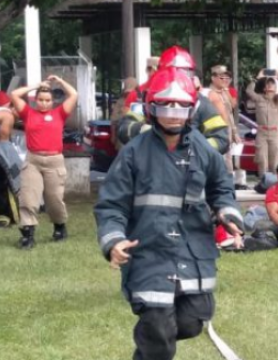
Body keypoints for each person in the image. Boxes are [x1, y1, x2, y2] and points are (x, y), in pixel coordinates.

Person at [94, 67, 244, 360]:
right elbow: (111, 204)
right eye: (166, 105)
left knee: (192, 321)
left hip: (193, 251)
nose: (174, 113)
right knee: (158, 331)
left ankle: (153, 338)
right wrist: (114, 241)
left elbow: (221, 185)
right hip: (149, 251)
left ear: (191, 110)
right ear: (152, 108)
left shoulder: (199, 149)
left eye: (181, 106)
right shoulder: (134, 153)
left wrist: (228, 213)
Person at [117, 46, 230, 156]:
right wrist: (148, 133)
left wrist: (193, 149)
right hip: (151, 162)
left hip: (188, 168)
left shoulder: (201, 103)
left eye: (183, 73)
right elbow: (124, 128)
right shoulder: (146, 99)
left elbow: (221, 139)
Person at [10, 75, 78, 249]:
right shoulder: (28, 113)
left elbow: (74, 95)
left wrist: (60, 82)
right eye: (40, 100)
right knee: (28, 197)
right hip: (33, 160)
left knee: (54, 199)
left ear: (53, 101)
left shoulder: (59, 113)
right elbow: (15, 95)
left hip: (54, 161)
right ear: (35, 100)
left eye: (47, 100)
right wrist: (36, 85)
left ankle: (59, 226)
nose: (44, 103)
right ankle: (27, 233)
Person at [246, 69, 278, 175]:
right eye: (268, 84)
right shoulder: (259, 99)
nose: (270, 86)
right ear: (264, 88)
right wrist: (257, 78)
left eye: (272, 84)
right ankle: (263, 182)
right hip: (262, 133)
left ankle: (276, 183)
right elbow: (249, 91)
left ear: (276, 88)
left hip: (274, 133)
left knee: (276, 161)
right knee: (262, 160)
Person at [207, 65, 240, 181]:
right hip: (214, 129)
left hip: (228, 128)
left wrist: (234, 131)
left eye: (227, 78)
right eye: (222, 78)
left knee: (228, 157)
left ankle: (228, 181)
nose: (225, 81)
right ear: (213, 78)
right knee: (217, 156)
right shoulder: (208, 93)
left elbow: (232, 109)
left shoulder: (226, 92)